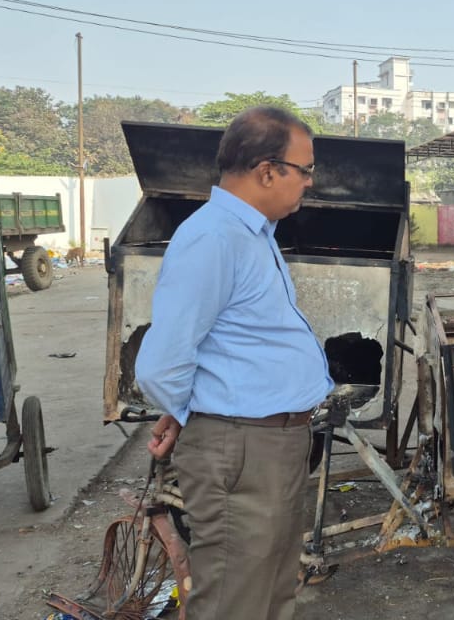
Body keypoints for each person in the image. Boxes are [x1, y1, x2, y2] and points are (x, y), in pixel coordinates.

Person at [136, 106, 333, 620]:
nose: (309, 183)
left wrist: (185, 410)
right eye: (305, 169)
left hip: (269, 442)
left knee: (270, 593)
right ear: (268, 171)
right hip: (242, 446)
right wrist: (193, 410)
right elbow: (162, 363)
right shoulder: (214, 237)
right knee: (233, 601)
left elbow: (223, 344)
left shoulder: (252, 234)